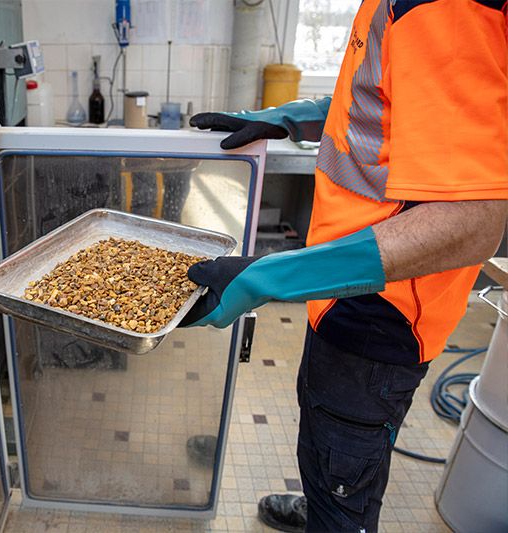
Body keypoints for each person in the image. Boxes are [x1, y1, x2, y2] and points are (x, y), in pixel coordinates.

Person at [184, 0, 508, 531]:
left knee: (344, 479)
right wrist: (289, 118)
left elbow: (469, 222)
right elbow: (383, 102)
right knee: (324, 443)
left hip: (381, 313)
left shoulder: (442, 8)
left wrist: (266, 276)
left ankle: (334, 511)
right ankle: (323, 496)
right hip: (341, 286)